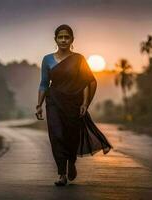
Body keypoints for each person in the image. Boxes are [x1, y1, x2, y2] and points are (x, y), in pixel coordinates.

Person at [35, 24, 113, 186]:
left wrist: (85, 103)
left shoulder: (79, 59)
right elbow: (44, 83)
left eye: (66, 37)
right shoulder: (47, 59)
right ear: (55, 39)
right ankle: (61, 174)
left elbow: (86, 82)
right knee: (56, 135)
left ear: (72, 40)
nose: (63, 40)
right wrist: (39, 105)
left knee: (72, 136)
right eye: (60, 37)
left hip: (74, 102)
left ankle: (72, 162)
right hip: (54, 101)